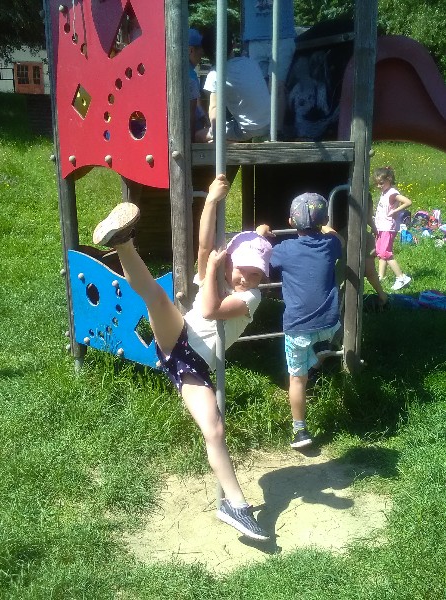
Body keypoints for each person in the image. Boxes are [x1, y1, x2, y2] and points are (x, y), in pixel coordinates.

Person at [92, 175, 272, 541]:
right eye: (242, 269)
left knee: (214, 430)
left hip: (192, 364)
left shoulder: (250, 299)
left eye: (256, 275)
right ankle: (123, 242)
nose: (246, 278)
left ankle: (234, 505)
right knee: (157, 298)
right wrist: (212, 201)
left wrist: (213, 271)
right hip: (181, 338)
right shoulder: (215, 276)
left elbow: (210, 308)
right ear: (230, 262)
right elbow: (204, 247)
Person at [259, 193, 342, 448]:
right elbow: (337, 237)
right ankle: (321, 354)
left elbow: (260, 255)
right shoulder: (330, 244)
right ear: (324, 220)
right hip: (331, 323)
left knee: (297, 379)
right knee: (321, 342)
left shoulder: (284, 250)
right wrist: (327, 228)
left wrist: (260, 234)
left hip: (298, 327)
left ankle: (300, 431)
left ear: (290, 222)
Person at [202, 27, 270, 142]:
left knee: (200, 135)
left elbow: (214, 108)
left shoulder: (215, 74)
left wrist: (216, 138)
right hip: (269, 124)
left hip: (249, 130)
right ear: (233, 44)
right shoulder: (250, 62)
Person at [241, 0, 296, 136]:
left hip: (281, 36)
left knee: (276, 86)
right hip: (255, 38)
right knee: (258, 89)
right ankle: (261, 132)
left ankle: (276, 134)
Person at [373, 166, 412, 291]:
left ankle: (401, 278)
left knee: (386, 253)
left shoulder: (392, 193)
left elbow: (408, 202)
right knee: (380, 252)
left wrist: (395, 211)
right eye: (377, 183)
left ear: (389, 179)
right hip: (381, 227)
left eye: (381, 183)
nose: (378, 186)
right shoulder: (385, 192)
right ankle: (381, 276)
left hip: (388, 227)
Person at [188, 28, 210, 142]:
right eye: (201, 48)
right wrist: (191, 142)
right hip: (189, 132)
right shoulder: (190, 76)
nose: (202, 53)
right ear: (191, 50)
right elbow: (190, 113)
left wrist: (203, 116)